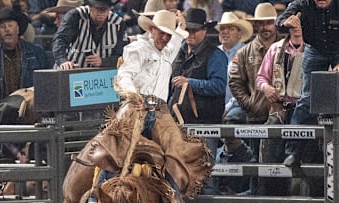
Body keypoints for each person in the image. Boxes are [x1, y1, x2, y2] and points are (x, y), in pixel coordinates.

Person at [88, 10, 189, 203]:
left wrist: (180, 28)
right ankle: (95, 196)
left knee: (174, 152)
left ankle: (173, 196)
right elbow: (124, 74)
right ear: (151, 30)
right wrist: (134, 95)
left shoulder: (168, 49)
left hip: (160, 112)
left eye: (168, 34)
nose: (165, 38)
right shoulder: (138, 48)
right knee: (117, 150)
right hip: (136, 106)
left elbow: (177, 38)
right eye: (161, 33)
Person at [275, 0, 339, 196]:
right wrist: (285, 22)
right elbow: (281, 19)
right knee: (306, 99)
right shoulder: (302, 4)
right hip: (315, 49)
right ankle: (293, 152)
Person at [168, 8, 228, 194]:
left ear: (204, 30)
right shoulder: (178, 52)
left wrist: (190, 82)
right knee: (179, 176)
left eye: (194, 30)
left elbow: (218, 86)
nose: (190, 34)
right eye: (188, 30)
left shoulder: (215, 55)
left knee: (205, 177)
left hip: (205, 124)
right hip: (179, 124)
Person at [228, 2, 279, 195]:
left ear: (275, 24)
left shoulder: (285, 48)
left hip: (281, 117)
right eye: (261, 23)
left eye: (269, 22)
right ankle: (257, 195)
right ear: (256, 25)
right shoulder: (244, 52)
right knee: (257, 166)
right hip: (256, 117)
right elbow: (235, 82)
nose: (265, 27)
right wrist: (249, 105)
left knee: (278, 165)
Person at [0, 7, 50, 161]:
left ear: (18, 28)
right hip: (2, 115)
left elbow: (47, 84)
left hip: (32, 112)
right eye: (2, 27)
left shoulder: (36, 53)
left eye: (10, 25)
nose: (7, 30)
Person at [255, 26, 304, 196]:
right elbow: (260, 77)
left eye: (301, 26)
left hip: (303, 111)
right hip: (279, 110)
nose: (297, 30)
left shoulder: (314, 50)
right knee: (271, 160)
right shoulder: (275, 49)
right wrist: (266, 87)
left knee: (304, 164)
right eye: (294, 27)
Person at [52, 0, 126, 70]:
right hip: (73, 69)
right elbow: (60, 40)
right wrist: (63, 60)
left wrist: (103, 61)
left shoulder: (118, 24)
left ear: (110, 8)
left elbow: (119, 55)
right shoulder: (75, 16)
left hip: (102, 74)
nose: (101, 12)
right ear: (90, 6)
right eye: (98, 8)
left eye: (105, 9)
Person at [216, 12, 252, 125]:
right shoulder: (213, 53)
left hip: (239, 106)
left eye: (231, 28)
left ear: (239, 34)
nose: (225, 31)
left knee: (231, 119)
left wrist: (227, 108)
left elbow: (247, 88)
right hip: (215, 108)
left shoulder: (246, 53)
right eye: (222, 28)